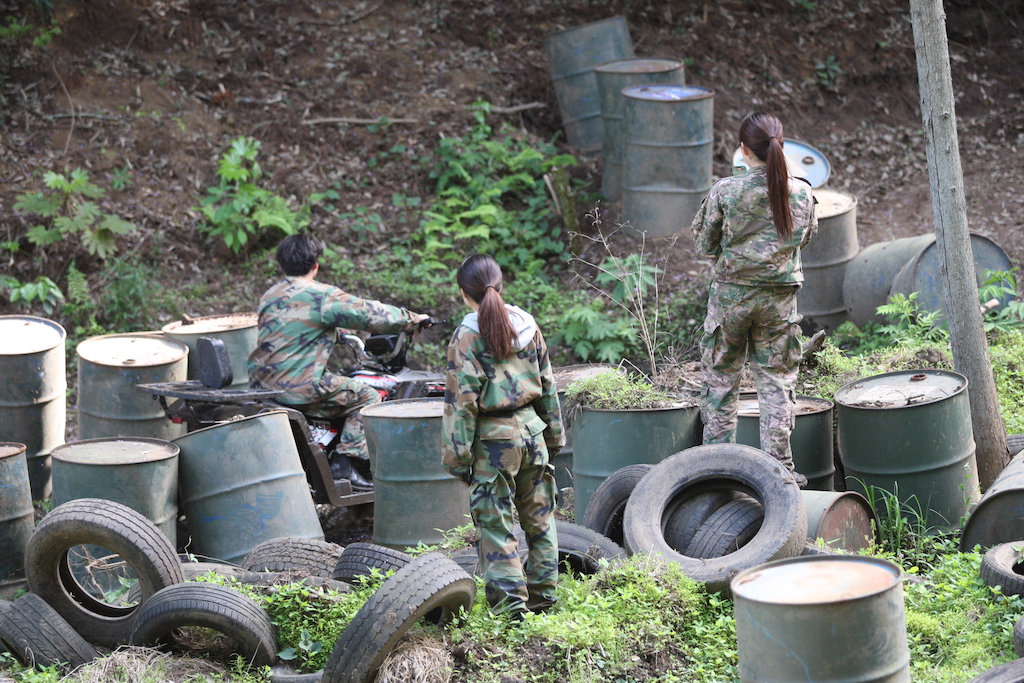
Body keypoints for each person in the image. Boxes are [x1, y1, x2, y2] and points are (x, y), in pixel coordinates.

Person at [690, 112, 818, 487]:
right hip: (779, 303)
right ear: (782, 146)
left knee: (721, 385)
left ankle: (716, 473)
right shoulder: (802, 192)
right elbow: (805, 238)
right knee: (776, 384)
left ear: (744, 149)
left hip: (730, 300)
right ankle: (780, 474)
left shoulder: (726, 191)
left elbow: (703, 245)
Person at [248, 232, 428, 490]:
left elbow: (293, 325)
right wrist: (412, 319)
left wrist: (335, 331)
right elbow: (369, 313)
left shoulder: (271, 294)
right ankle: (345, 463)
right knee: (367, 396)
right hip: (299, 387)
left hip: (262, 385)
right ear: (315, 265)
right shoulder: (321, 295)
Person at [441, 254, 565, 619]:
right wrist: (554, 439)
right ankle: (543, 600)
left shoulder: (465, 337)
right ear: (499, 285)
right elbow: (548, 387)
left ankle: (512, 614)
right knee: (540, 520)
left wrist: (458, 460)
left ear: (464, 293)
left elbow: (461, 404)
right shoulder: (528, 325)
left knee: (496, 527)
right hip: (533, 434)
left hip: (493, 443)